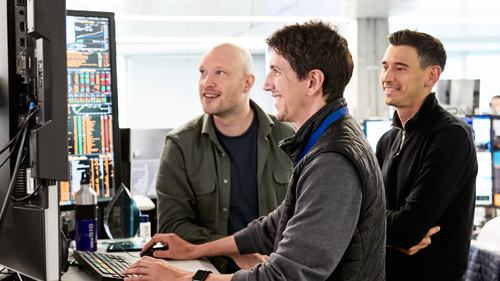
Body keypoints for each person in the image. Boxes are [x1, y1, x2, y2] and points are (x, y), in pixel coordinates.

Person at [122, 20, 386, 281]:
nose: (267, 84)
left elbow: (285, 276)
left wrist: (184, 279)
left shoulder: (332, 161)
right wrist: (196, 250)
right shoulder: (325, 141)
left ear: (312, 82)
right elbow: (275, 225)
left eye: (277, 71)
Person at [154, 43, 296, 272]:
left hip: (275, 271)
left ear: (247, 83)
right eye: (202, 72)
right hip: (209, 270)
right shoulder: (180, 143)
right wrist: (235, 249)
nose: (206, 83)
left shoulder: (289, 135)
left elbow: (304, 216)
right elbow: (173, 226)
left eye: (220, 72)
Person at [377, 29, 478, 281]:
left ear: (431, 75)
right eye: (385, 67)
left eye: (400, 68)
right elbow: (364, 213)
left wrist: (379, 226)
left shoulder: (450, 136)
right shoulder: (386, 141)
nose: (387, 77)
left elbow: (408, 229)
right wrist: (390, 233)